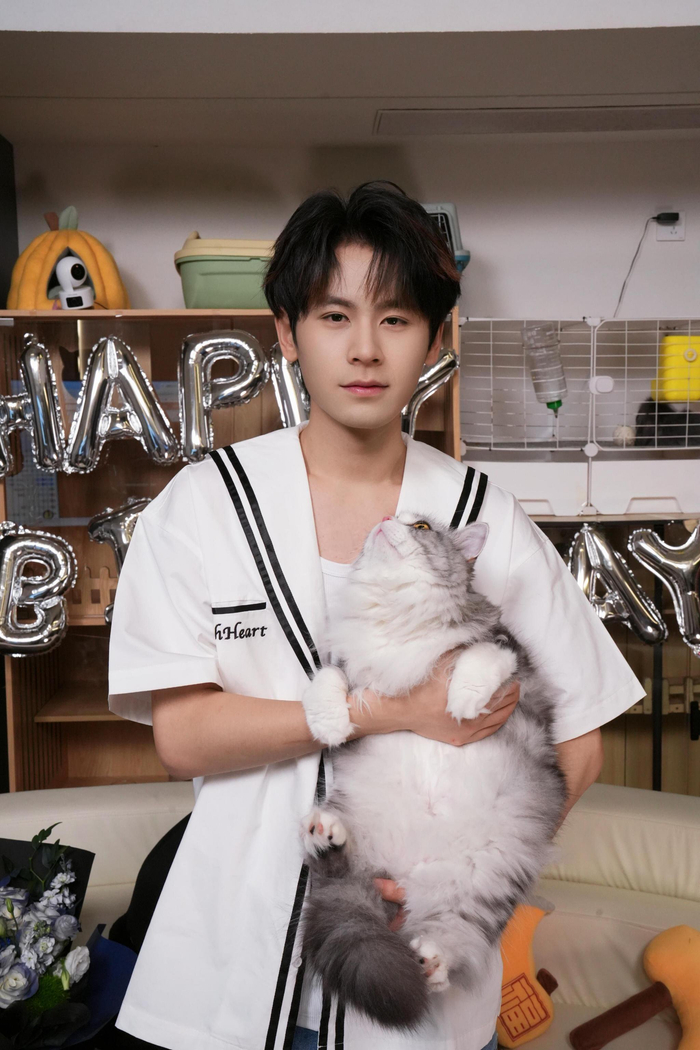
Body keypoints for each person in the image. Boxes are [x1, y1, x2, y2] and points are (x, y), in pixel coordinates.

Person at [107, 181, 646, 1050]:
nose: (365, 348)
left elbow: (580, 743)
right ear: (287, 333)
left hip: (422, 979)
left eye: (395, 319)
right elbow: (184, 737)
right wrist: (386, 712)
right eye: (334, 316)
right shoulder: (204, 505)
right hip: (232, 964)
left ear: (432, 339)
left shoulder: (481, 516)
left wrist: (467, 879)